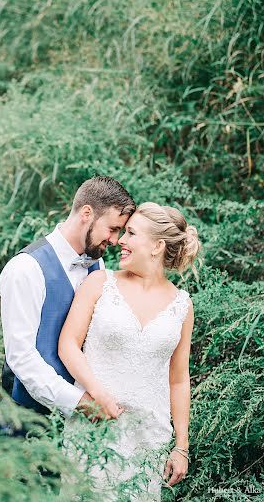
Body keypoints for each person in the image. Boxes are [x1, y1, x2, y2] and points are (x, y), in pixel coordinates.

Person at [58, 202, 201, 501]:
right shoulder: (99, 282)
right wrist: (98, 395)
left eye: (131, 233)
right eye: (122, 232)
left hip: (148, 439)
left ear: (157, 246)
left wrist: (181, 446)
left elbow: (178, 379)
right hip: (94, 425)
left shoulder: (182, 305)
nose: (120, 240)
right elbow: (68, 345)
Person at [0, 175, 135, 419]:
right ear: (86, 213)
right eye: (113, 229)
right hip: (28, 419)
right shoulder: (25, 269)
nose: (115, 240)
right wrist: (78, 401)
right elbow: (21, 356)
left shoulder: (98, 265)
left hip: (83, 428)